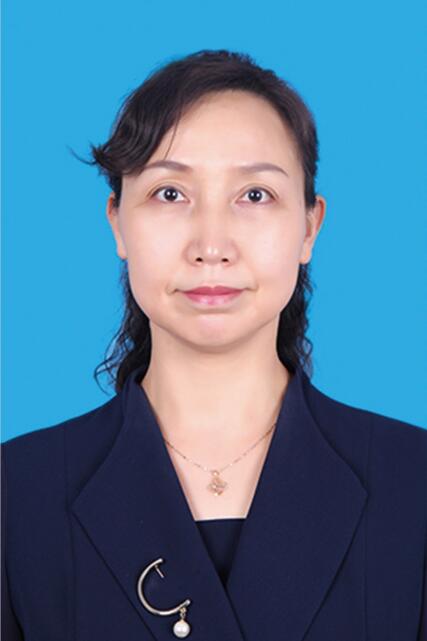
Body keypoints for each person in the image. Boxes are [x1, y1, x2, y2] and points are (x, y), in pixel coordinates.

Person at [2, 49, 426, 641]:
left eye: (254, 195)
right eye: (170, 194)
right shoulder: (16, 493)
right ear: (117, 221)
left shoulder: (414, 483)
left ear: (309, 226)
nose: (211, 245)